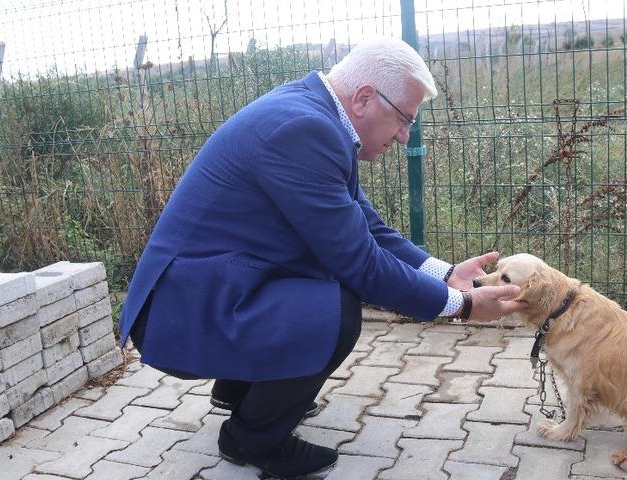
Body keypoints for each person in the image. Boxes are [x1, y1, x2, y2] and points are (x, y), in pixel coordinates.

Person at [118, 36, 525, 479]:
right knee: (335, 310)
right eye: (404, 119)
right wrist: (461, 307)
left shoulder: (316, 117)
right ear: (365, 98)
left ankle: (243, 393)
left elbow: (369, 229)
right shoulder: (303, 130)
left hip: (213, 288)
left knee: (319, 294)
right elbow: (361, 264)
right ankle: (252, 438)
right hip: (184, 311)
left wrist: (445, 274)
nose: (406, 134)